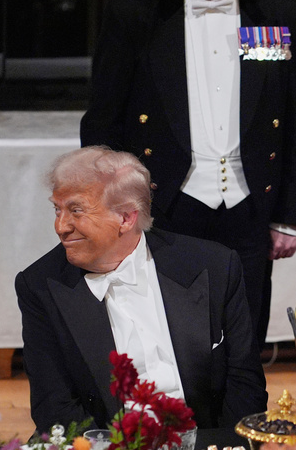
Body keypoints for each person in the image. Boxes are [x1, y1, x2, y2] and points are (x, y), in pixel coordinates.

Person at [80, 0, 296, 352]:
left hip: (248, 207)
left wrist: (290, 215)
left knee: (244, 343)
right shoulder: (136, 16)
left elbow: (292, 117)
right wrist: (116, 211)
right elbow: (101, 126)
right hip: (166, 206)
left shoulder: (274, 14)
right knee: (167, 342)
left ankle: (242, 426)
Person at [15, 146, 268, 434]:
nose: (61, 227)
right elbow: (55, 407)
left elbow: (245, 386)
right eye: (57, 210)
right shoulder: (40, 285)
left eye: (76, 210)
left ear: (126, 218)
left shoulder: (214, 266)